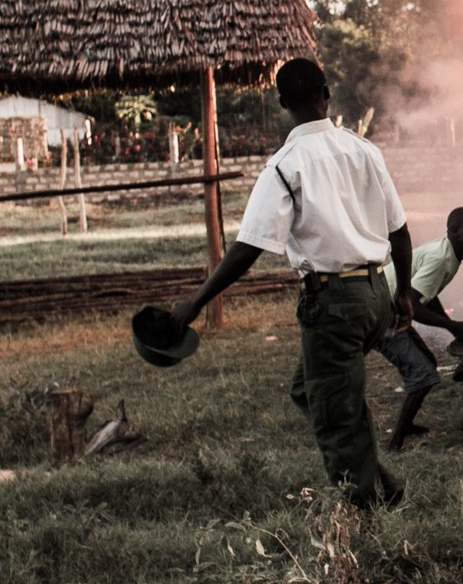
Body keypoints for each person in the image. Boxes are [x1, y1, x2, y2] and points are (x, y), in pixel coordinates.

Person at [170, 58, 416, 507]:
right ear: (327, 94)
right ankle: (381, 479)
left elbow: (248, 248)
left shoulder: (286, 165)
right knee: (311, 388)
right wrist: (402, 293)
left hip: (335, 305)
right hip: (376, 294)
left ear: (282, 103)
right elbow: (399, 231)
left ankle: (364, 522)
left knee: (334, 415)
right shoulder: (364, 150)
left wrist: (196, 300)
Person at [376, 206, 463, 452]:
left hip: (391, 307)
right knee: (423, 376)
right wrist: (453, 326)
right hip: (381, 312)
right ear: (453, 230)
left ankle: (406, 426)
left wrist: (453, 328)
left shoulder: (448, 255)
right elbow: (414, 307)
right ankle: (395, 443)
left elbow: (425, 294)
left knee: (427, 363)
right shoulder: (441, 257)